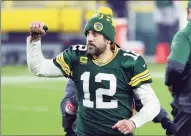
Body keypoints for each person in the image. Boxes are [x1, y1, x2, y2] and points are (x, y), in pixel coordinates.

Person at [27, 7, 161, 136]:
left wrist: (133, 122)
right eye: (88, 33)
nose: (89, 38)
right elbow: (39, 68)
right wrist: (35, 40)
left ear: (108, 39)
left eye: (95, 34)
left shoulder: (129, 61)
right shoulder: (76, 55)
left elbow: (153, 104)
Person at [61, 79, 177, 136]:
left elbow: (143, 103)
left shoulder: (120, 77)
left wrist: (166, 121)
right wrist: (78, 99)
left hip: (115, 130)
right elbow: (65, 107)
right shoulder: (78, 76)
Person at [165, 1, 191, 136]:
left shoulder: (185, 35)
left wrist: (170, 84)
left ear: (189, 11)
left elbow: (174, 68)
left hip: (188, 106)